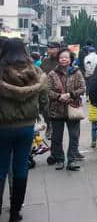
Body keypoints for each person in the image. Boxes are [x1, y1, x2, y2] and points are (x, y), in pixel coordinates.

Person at [0, 38, 48, 222]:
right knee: (21, 168)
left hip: (2, 127)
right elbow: (44, 98)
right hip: (26, 127)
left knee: (1, 168)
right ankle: (14, 212)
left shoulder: (2, 71)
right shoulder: (36, 71)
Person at [47, 49, 85, 171]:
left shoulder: (77, 72)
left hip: (72, 109)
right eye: (61, 57)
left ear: (71, 59)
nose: (63, 59)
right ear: (58, 59)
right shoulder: (52, 74)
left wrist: (70, 94)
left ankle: (72, 160)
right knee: (56, 137)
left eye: (66, 57)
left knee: (74, 136)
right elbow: (47, 90)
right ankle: (60, 159)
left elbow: (83, 88)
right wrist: (58, 96)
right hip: (56, 110)